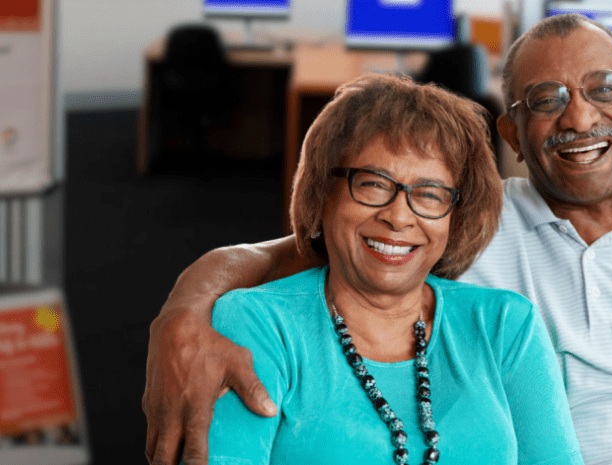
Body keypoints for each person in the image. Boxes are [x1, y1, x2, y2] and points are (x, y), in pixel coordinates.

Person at [144, 14, 612, 465]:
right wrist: (188, 304)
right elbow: (315, 244)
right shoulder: (465, 224)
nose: (579, 118)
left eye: (603, 89)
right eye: (546, 100)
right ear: (510, 133)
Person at [161, 73, 583, 465]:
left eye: (431, 194)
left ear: (456, 213)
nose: (399, 216)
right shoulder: (256, 323)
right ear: (323, 191)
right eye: (373, 184)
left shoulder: (506, 325)